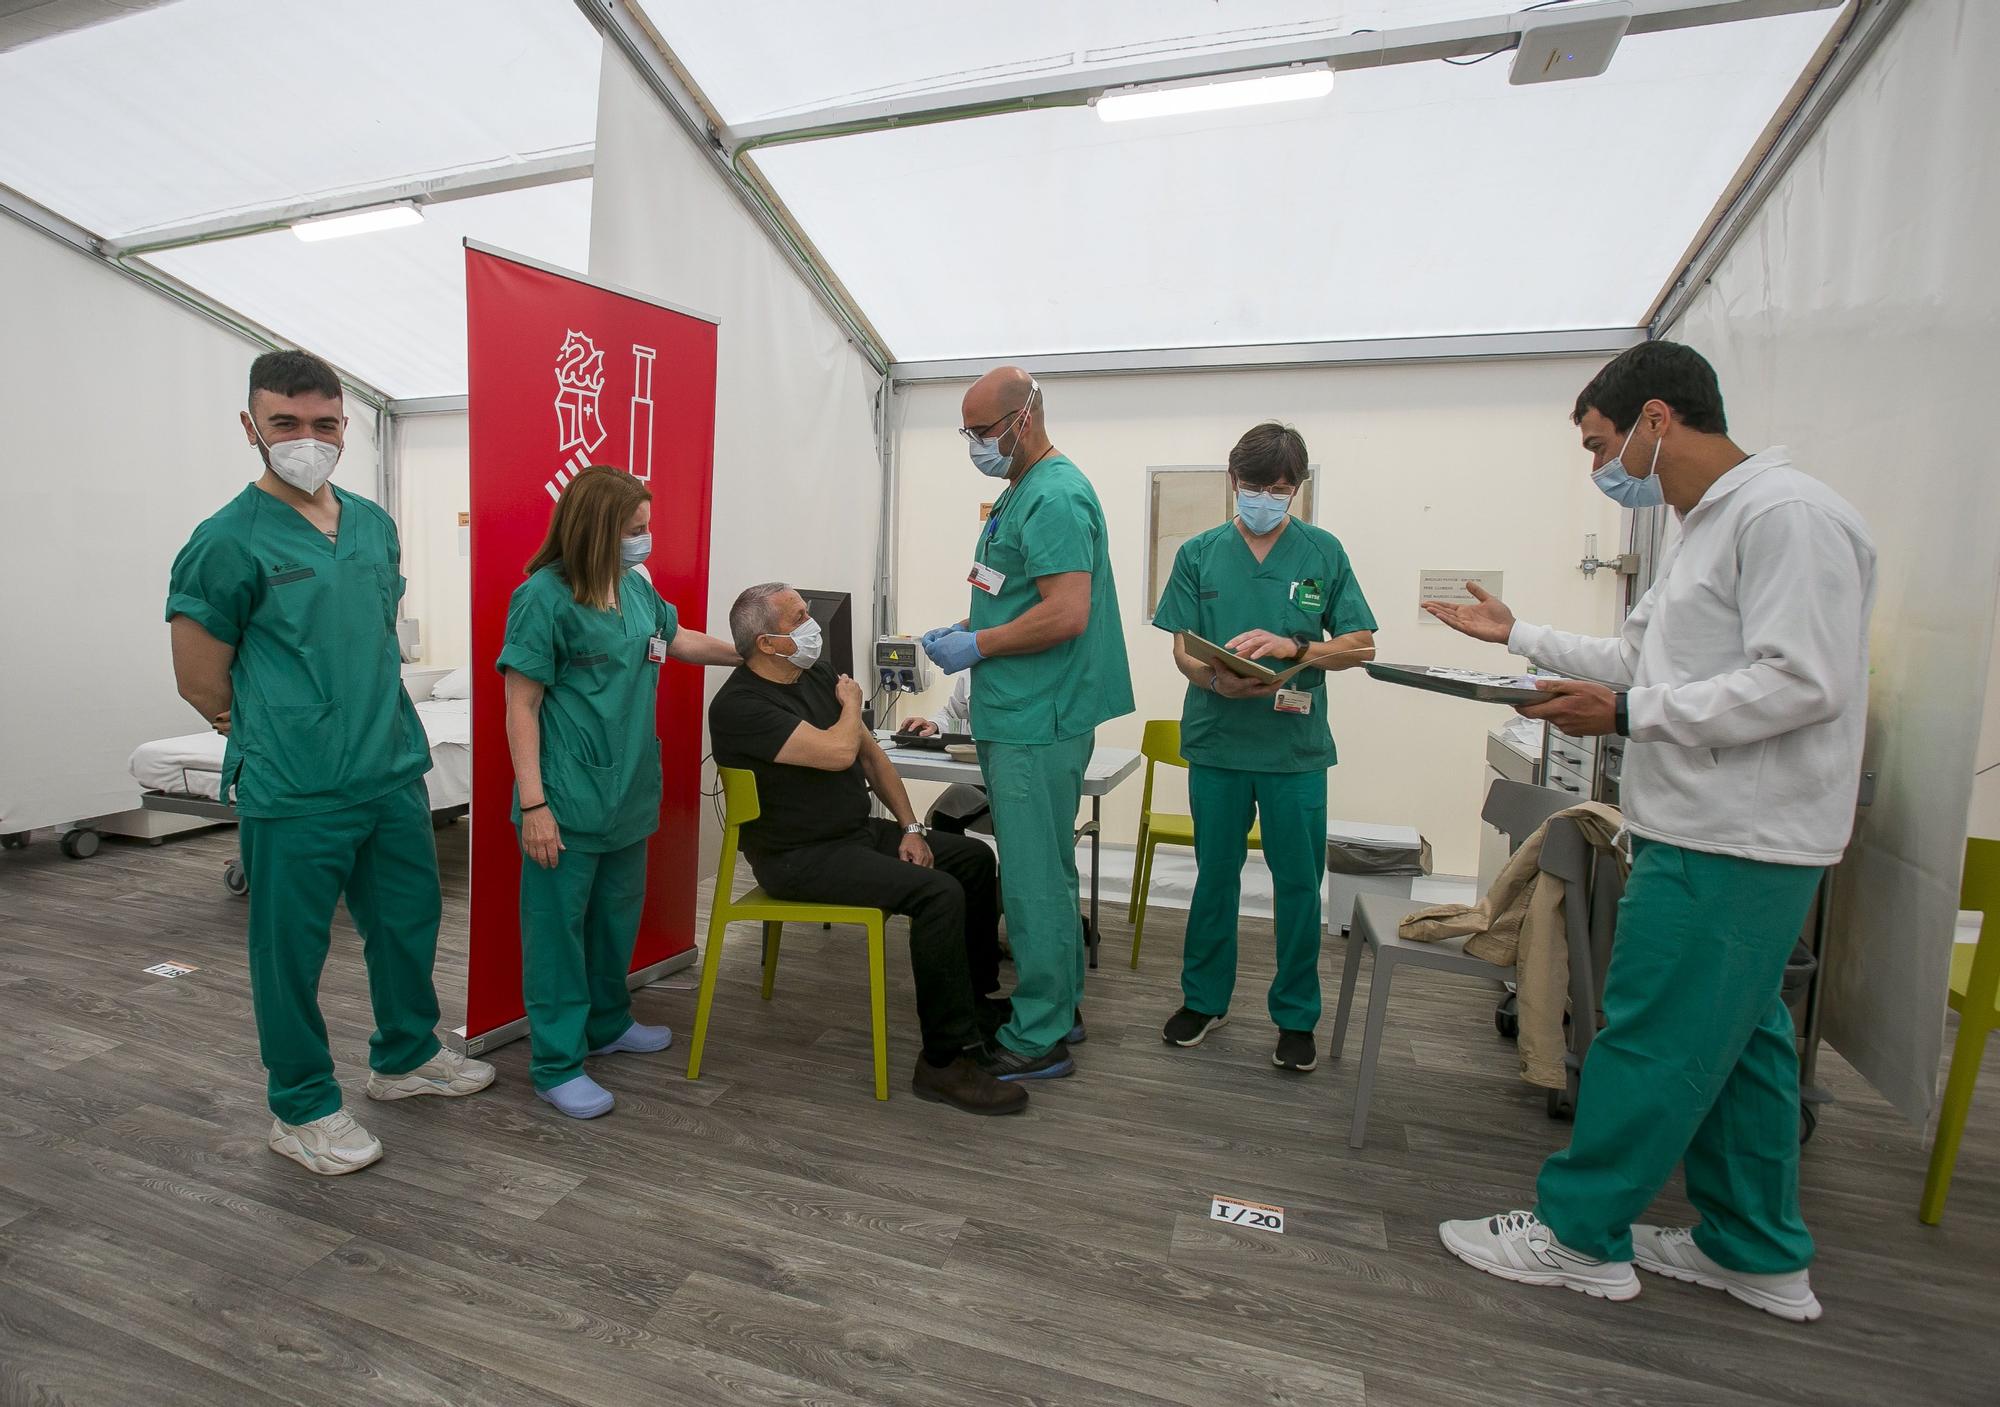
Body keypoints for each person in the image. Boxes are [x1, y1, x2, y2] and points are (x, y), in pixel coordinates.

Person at [1426, 341, 1875, 1323]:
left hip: (1735, 837)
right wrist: (1519, 640)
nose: (1597, 467)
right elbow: (1635, 657)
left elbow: (1801, 682)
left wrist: (1626, 718)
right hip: (1709, 826)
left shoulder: (1784, 517)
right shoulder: (1702, 527)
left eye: (1598, 443)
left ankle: (1578, 1237)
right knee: (1746, 1048)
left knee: (1644, 1038)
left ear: (1655, 419)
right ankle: (1752, 1248)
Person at [166, 349, 493, 1177]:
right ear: (252, 428)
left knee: (407, 924)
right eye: (286, 423)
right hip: (298, 785)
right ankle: (303, 1106)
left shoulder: (373, 525)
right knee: (290, 953)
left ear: (345, 428)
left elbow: (376, 632)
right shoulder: (225, 541)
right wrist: (287, 730)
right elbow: (200, 677)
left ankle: (406, 1056)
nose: (306, 438)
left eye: (323, 424)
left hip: (388, 769)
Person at [709, 584, 1025, 1114]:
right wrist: (853, 705)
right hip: (798, 859)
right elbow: (838, 752)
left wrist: (911, 828)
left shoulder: (815, 673)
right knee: (937, 895)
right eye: (800, 617)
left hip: (853, 836)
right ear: (766, 642)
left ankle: (973, 1006)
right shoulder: (739, 705)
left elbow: (873, 758)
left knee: (971, 860)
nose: (814, 624)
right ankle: (945, 1062)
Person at [499, 467, 739, 1119]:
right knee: (557, 935)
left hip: (628, 791)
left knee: (612, 923)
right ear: (597, 528)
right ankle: (555, 1063)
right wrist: (534, 805)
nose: (645, 540)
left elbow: (676, 637)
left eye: (647, 526)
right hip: (568, 799)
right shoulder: (542, 598)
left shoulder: (633, 590)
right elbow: (521, 705)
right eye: (634, 530)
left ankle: (606, 1022)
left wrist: (751, 651)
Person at [922, 367, 1133, 1080]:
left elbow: (1067, 612)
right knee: (1048, 868)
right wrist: (967, 626)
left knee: (1034, 879)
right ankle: (1059, 1005)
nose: (975, 444)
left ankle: (1038, 1029)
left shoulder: (1056, 495)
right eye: (968, 432)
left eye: (981, 431)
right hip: (1023, 707)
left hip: (1037, 715)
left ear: (1024, 418)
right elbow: (1016, 599)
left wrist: (977, 646)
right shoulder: (1020, 494)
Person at [1151, 422, 1377, 1073]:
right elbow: (1180, 645)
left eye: (1276, 489)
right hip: (1219, 745)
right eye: (1252, 486)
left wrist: (1298, 648)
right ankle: (1204, 999)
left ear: (1296, 489)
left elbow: (1361, 642)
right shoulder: (1199, 553)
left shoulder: (1322, 553)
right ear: (1233, 482)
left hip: (1294, 752)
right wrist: (1213, 677)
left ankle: (1296, 1014)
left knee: (1299, 886)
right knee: (1213, 879)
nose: (1262, 499)